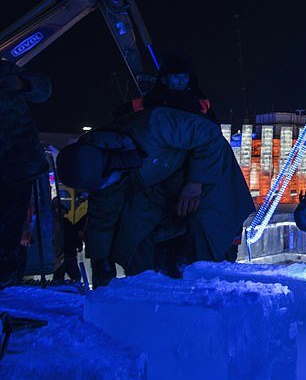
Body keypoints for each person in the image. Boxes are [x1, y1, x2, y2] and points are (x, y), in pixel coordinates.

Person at [57, 106, 255, 283]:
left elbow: (209, 134)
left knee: (204, 234)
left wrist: (195, 184)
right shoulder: (99, 170)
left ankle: (205, 291)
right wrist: (101, 261)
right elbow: (103, 216)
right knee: (134, 234)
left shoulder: (155, 124)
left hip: (208, 177)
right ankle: (148, 289)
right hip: (159, 185)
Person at [0, 59, 52, 288]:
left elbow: (43, 89)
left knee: (9, 232)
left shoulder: (5, 70)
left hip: (17, 163)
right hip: (18, 163)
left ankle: (6, 288)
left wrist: (22, 83)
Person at [113, 53, 216, 121]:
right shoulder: (151, 101)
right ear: (164, 79)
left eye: (185, 76)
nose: (182, 81)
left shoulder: (201, 104)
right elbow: (119, 113)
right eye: (176, 76)